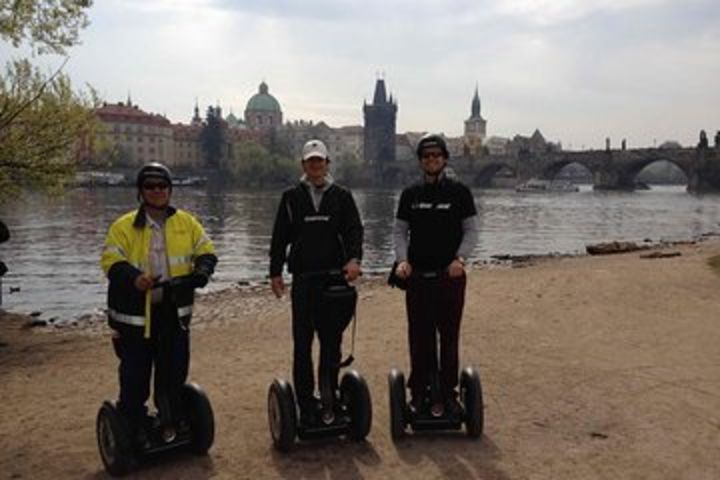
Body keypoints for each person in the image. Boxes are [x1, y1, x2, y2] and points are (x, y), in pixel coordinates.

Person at [100, 162, 217, 436]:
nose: (157, 191)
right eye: (150, 186)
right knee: (135, 376)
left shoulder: (186, 223)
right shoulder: (123, 226)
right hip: (136, 317)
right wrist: (134, 278)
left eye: (162, 186)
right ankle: (134, 424)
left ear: (170, 190)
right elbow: (110, 260)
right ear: (141, 191)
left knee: (174, 371)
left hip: (173, 312)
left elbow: (206, 250)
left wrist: (202, 271)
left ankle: (172, 416)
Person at [269, 139, 363, 425]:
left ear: (327, 163)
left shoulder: (342, 196)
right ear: (304, 165)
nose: (315, 166)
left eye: (319, 161)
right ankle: (305, 400)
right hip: (304, 279)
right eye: (311, 161)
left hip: (334, 279)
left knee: (331, 341)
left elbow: (354, 231)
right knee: (302, 343)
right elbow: (279, 237)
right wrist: (275, 273)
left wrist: (354, 260)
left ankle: (329, 392)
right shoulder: (291, 197)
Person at [392, 133, 478, 417]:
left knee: (449, 337)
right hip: (417, 276)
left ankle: (448, 392)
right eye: (426, 157)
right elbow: (400, 232)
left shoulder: (460, 192)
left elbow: (471, 231)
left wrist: (460, 259)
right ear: (421, 161)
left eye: (436, 156)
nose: (431, 160)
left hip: (449, 276)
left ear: (444, 159)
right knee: (420, 336)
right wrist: (402, 261)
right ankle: (419, 392)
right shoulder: (410, 194)